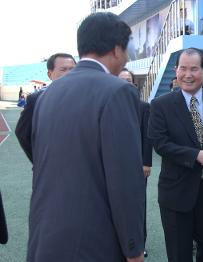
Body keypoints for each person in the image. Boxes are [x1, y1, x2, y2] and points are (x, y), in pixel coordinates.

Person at [27, 12, 145, 262]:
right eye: (126, 50)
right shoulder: (118, 91)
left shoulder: (47, 94)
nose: (126, 58)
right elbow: (125, 179)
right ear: (116, 49)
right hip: (94, 242)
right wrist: (134, 248)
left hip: (45, 236)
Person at [148, 47, 203, 262]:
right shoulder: (161, 105)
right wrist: (196, 155)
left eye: (194, 69)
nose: (188, 75)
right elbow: (160, 144)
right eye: (183, 68)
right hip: (177, 193)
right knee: (179, 254)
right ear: (176, 70)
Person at [15, 53, 76, 162]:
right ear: (50, 74)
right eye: (63, 69)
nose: (69, 73)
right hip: (50, 169)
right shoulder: (36, 99)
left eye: (72, 69)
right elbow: (23, 134)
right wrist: (38, 161)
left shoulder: (87, 97)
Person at [118, 68, 152, 258]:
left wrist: (146, 163)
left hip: (138, 166)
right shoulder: (109, 104)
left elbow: (148, 137)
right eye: (121, 79)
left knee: (138, 206)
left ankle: (140, 243)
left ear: (133, 83)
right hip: (114, 165)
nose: (125, 82)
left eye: (128, 80)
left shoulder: (143, 107)